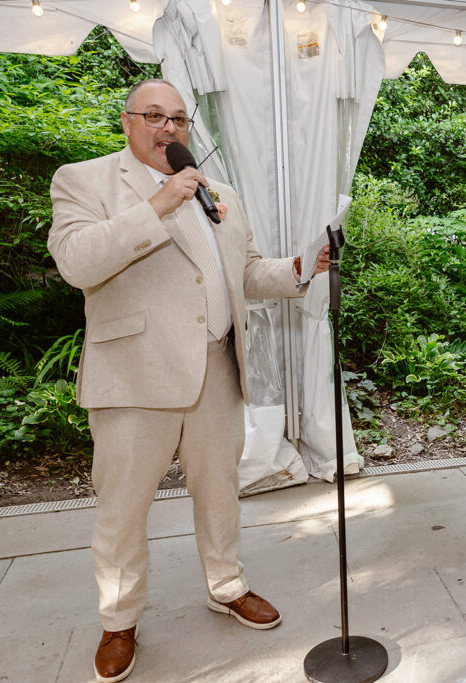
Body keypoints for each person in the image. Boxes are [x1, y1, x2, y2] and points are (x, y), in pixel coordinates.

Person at [47, 79, 329, 683]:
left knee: (220, 493)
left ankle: (226, 586)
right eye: (154, 115)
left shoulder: (217, 193)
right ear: (127, 123)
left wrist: (303, 266)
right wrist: (157, 204)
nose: (169, 127)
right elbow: (77, 262)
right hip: (133, 377)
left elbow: (247, 272)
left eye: (178, 118)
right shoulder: (85, 180)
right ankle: (119, 620)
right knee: (123, 509)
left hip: (216, 373)